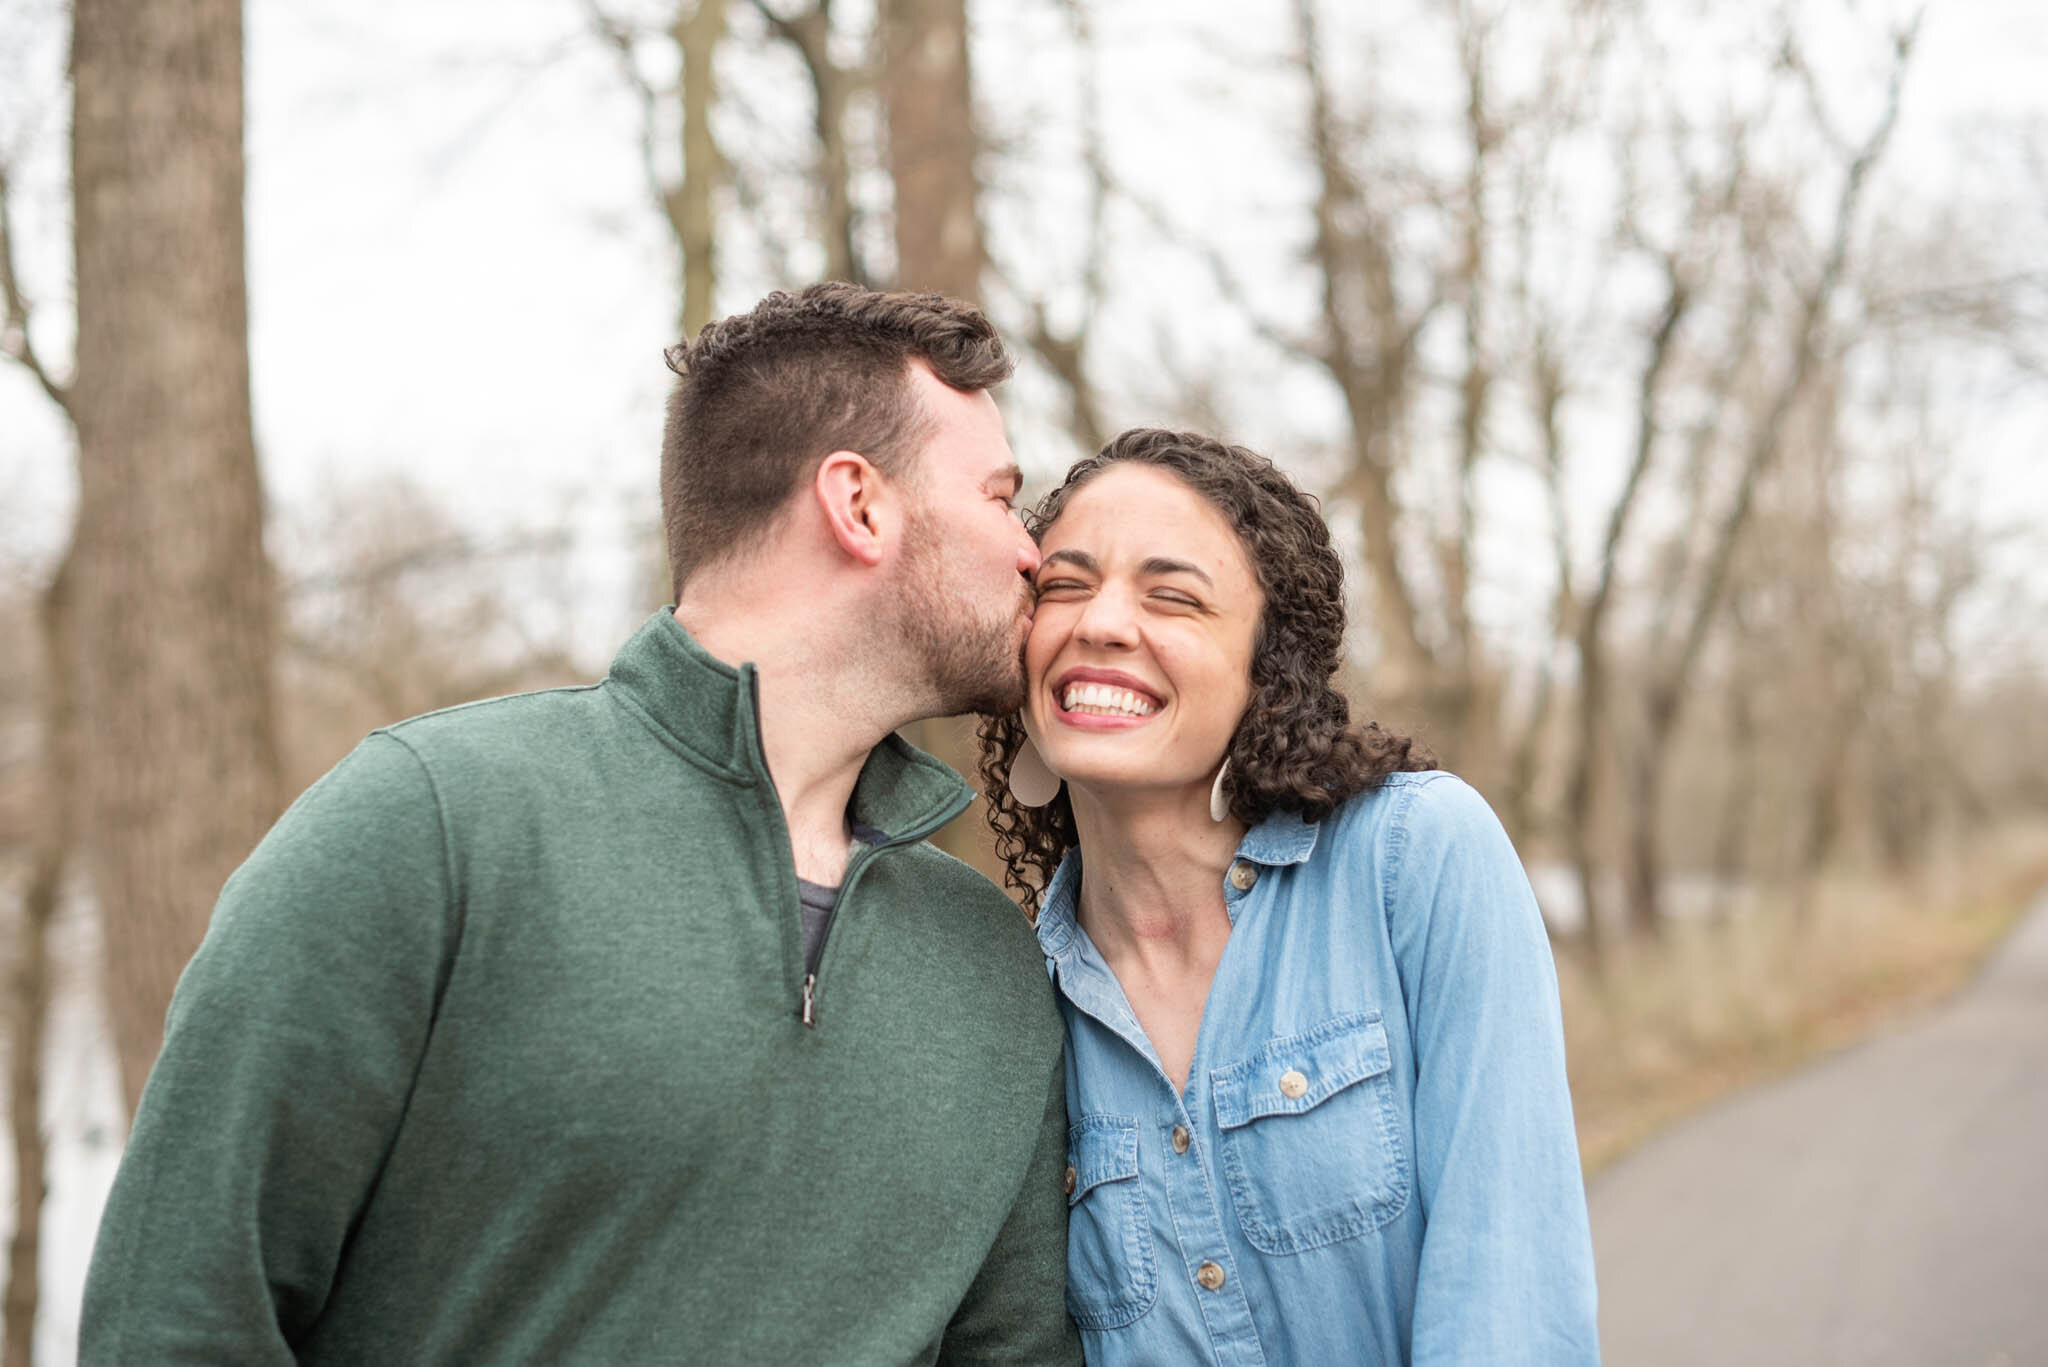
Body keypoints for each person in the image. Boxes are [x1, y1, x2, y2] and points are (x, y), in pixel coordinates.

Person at [82, 283, 1082, 1366]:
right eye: (996, 496)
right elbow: (176, 1316)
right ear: (859, 502)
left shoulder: (990, 958)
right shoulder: (431, 826)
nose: (1033, 555)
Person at [978, 428, 1600, 1365]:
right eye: (1064, 584)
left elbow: (1509, 1304)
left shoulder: (1415, 860)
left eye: (1173, 596)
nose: (1100, 622)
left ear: (1268, 675)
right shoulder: (1008, 998)